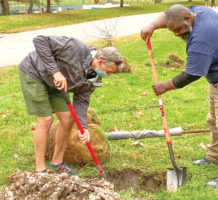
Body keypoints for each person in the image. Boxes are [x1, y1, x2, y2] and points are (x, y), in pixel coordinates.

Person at [19, 35, 123, 174]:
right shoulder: (75, 48)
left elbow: (81, 99)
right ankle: (40, 170)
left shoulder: (93, 75)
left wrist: (84, 127)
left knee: (68, 118)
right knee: (46, 119)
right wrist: (55, 72)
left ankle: (57, 162)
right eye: (109, 71)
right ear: (101, 61)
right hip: (35, 73)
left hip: (57, 85)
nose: (108, 75)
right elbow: (40, 40)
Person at [141, 4, 218, 188]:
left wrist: (165, 86)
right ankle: (214, 156)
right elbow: (169, 14)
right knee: (213, 120)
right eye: (172, 30)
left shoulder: (201, 39)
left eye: (178, 30)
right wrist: (152, 25)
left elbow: (191, 74)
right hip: (215, 79)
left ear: (187, 19)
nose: (176, 34)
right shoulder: (198, 12)